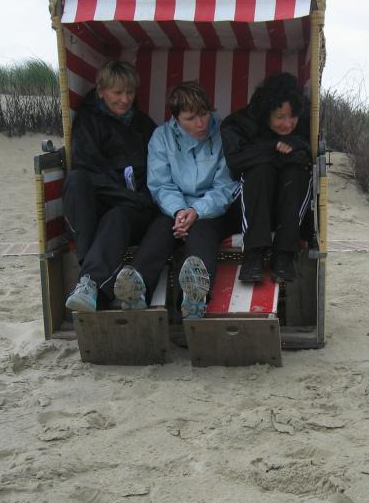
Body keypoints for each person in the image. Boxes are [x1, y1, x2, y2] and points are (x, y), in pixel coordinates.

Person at [63, 61, 171, 312]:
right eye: (117, 93)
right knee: (76, 179)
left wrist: (138, 198)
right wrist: (125, 196)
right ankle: (89, 275)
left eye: (130, 93)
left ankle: (90, 283)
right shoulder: (87, 122)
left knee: (119, 216)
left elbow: (158, 172)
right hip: (104, 202)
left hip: (134, 209)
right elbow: (89, 170)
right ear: (101, 91)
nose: (125, 100)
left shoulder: (144, 126)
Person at [146, 81, 239, 317]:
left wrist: (197, 211)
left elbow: (225, 186)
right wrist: (179, 211)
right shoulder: (161, 137)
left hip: (214, 209)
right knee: (160, 230)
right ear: (176, 118)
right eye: (190, 118)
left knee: (201, 232)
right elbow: (161, 184)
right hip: (172, 208)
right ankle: (137, 287)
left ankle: (192, 300)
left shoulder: (223, 134)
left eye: (204, 114)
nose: (200, 123)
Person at [221, 72, 312, 283]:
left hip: (289, 208)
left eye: (293, 116)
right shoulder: (240, 124)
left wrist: (294, 147)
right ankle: (253, 254)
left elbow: (309, 153)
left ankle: (284, 255)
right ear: (267, 112)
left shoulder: (308, 122)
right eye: (280, 117)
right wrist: (273, 148)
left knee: (296, 171)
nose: (288, 124)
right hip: (249, 206)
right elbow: (236, 161)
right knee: (260, 169)